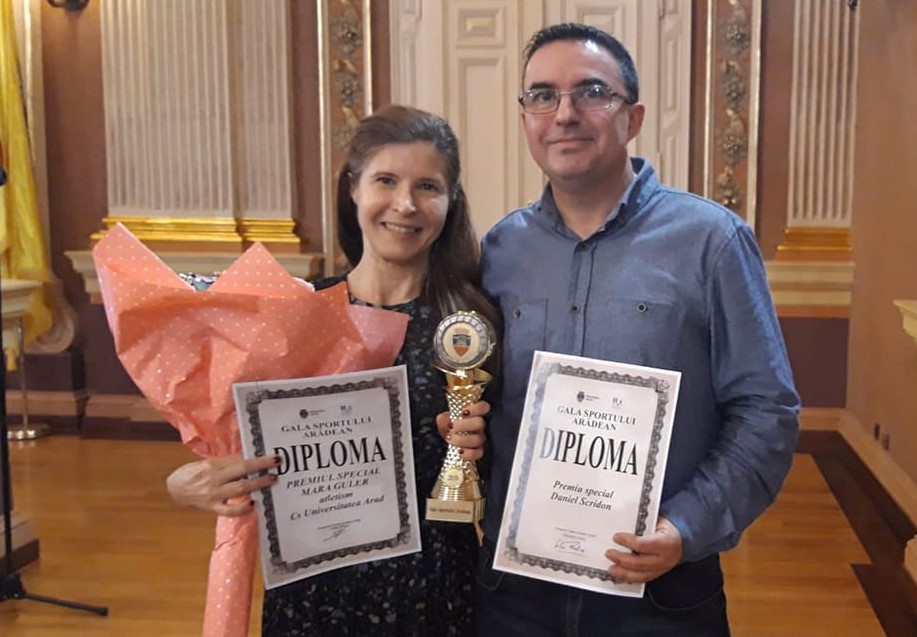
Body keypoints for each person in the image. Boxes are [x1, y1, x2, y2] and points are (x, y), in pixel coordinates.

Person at [445, 23, 800, 636]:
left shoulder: (711, 242)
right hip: (515, 590)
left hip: (661, 595)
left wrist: (685, 527)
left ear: (632, 118)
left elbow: (767, 410)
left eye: (591, 92)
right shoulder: (502, 250)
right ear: (526, 118)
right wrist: (464, 428)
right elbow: (485, 393)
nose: (565, 114)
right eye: (542, 96)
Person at [166, 104, 497, 636]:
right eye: (386, 180)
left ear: (451, 200)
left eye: (428, 187)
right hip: (312, 593)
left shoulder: (471, 323)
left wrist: (476, 451)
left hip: (431, 592)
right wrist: (185, 485)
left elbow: (503, 477)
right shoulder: (296, 315)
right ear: (354, 189)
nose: (405, 204)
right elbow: (240, 452)